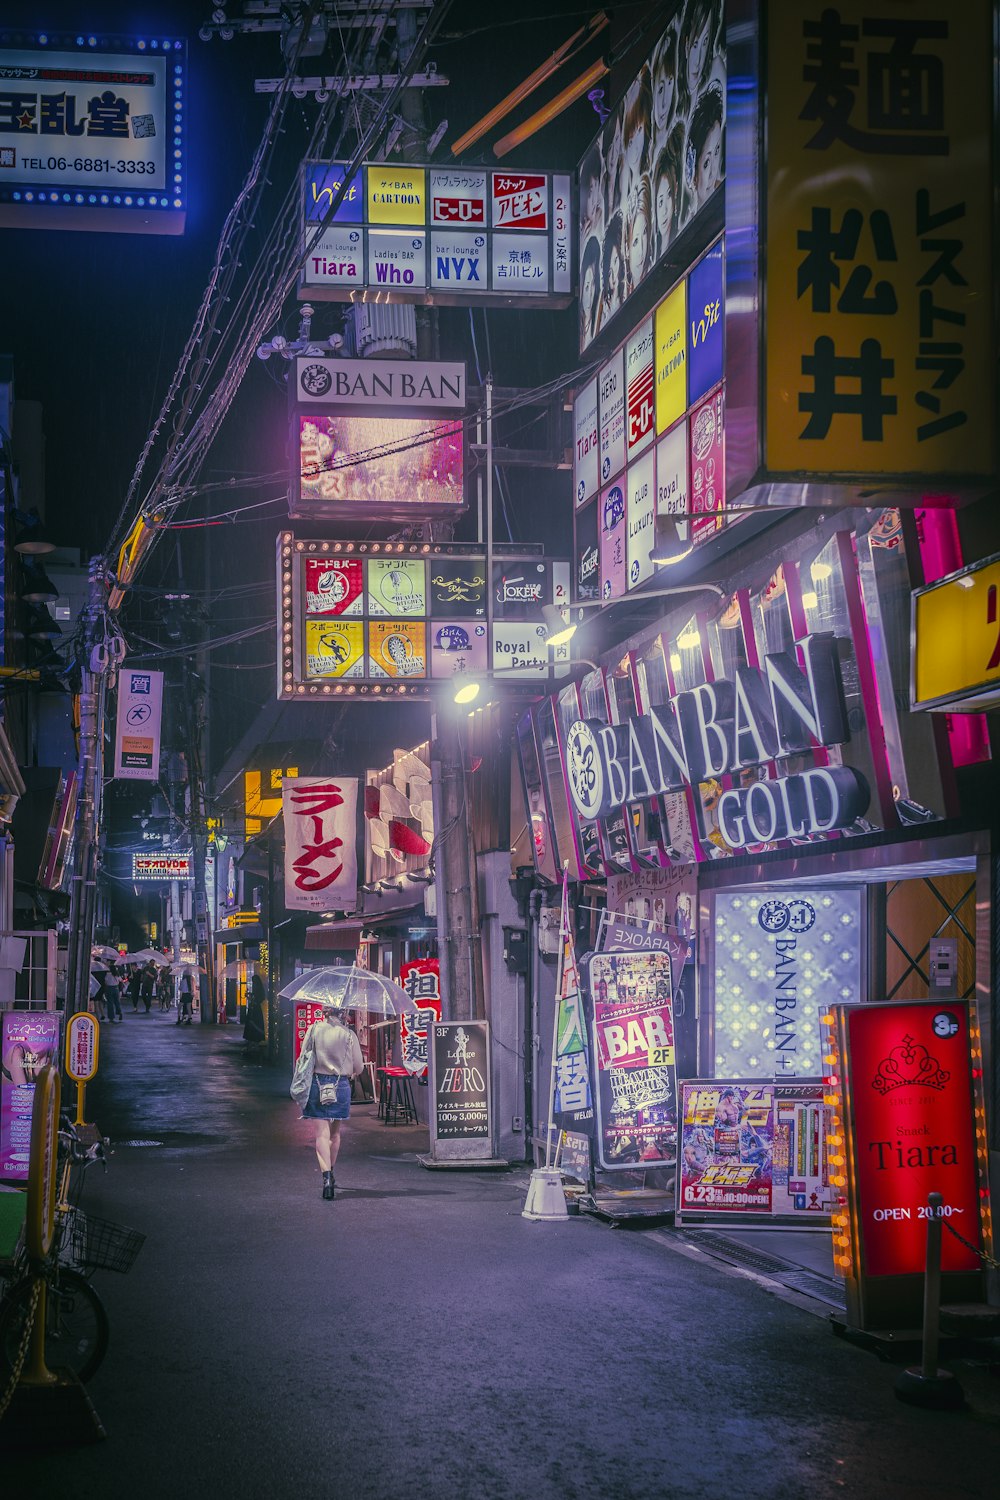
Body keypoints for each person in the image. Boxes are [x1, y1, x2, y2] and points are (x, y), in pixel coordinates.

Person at [292, 1001, 364, 1200]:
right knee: (335, 1133)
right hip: (340, 1085)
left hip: (317, 1083)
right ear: (343, 1013)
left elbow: (303, 1058)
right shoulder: (350, 1035)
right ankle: (332, 1172)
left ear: (325, 1011)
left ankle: (326, 1179)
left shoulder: (314, 1029)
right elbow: (359, 1068)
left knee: (321, 1135)